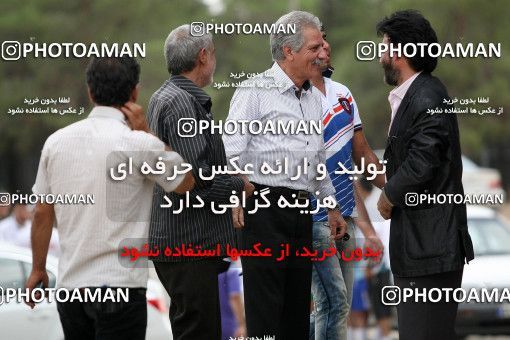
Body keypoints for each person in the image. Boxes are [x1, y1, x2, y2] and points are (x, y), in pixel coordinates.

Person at [25, 56, 193, 340]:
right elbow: (185, 183)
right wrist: (147, 132)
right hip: (121, 287)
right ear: (135, 92)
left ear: (90, 91)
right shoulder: (139, 143)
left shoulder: (56, 142)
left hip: (71, 289)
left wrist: (38, 269)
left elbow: (42, 212)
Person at [224, 11, 347, 339]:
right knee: (266, 315)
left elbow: (317, 158)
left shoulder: (311, 97)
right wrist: (239, 187)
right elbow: (230, 151)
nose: (323, 53)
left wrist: (331, 206)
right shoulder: (254, 91)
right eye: (314, 47)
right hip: (263, 209)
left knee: (296, 313)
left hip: (301, 211)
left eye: (322, 45)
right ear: (288, 51)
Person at [146, 24, 254, 340]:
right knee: (197, 331)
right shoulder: (181, 102)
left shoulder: (167, 96)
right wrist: (239, 186)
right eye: (214, 54)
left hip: (184, 243)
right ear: (203, 56)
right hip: (189, 243)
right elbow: (196, 179)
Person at [375, 10, 474, 340]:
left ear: (399, 52)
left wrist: (390, 194)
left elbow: (425, 158)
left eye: (384, 47)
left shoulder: (427, 95)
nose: (380, 56)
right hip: (421, 248)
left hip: (430, 250)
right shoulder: (415, 95)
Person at [308, 28, 385, 340]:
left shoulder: (342, 94)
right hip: (312, 220)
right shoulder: (291, 98)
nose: (327, 45)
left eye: (327, 38)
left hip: (346, 223)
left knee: (336, 308)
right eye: (318, 41)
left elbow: (361, 156)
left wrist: (397, 192)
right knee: (331, 303)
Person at [357, 178, 393, 340]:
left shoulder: (370, 209)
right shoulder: (369, 206)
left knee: (379, 311)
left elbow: (379, 244)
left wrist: (370, 268)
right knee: (374, 311)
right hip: (375, 269)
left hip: (377, 270)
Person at [218, 260, 246, 340]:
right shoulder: (231, 267)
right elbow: (235, 296)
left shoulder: (209, 266)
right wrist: (242, 325)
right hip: (229, 326)